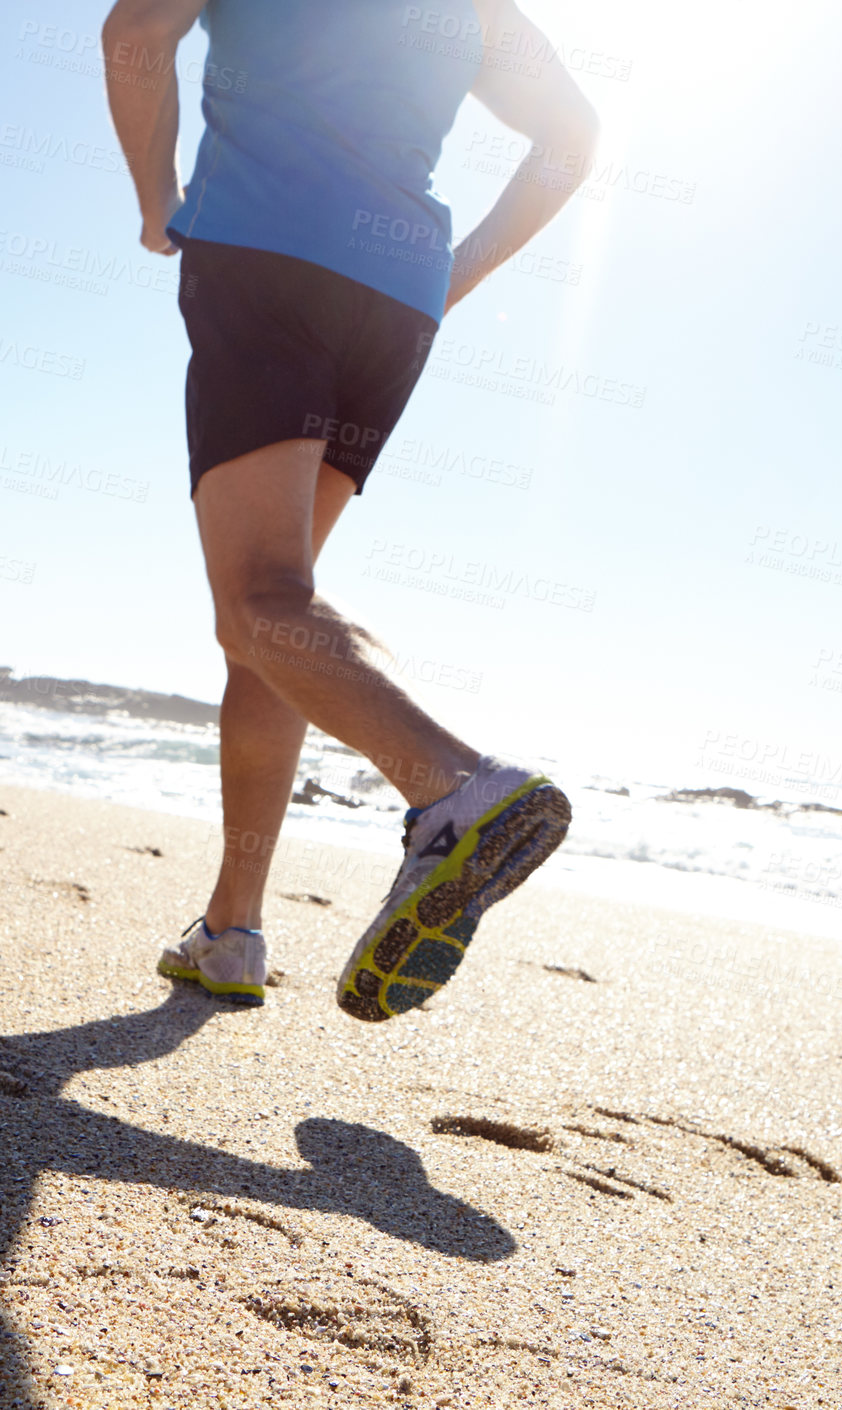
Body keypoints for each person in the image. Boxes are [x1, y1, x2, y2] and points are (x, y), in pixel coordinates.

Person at [100, 0, 597, 1020]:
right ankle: (232, 930)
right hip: (395, 299)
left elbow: (136, 33)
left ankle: (456, 789)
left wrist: (157, 203)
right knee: (277, 621)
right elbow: (574, 137)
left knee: (255, 600)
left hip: (266, 258)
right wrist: (447, 275)